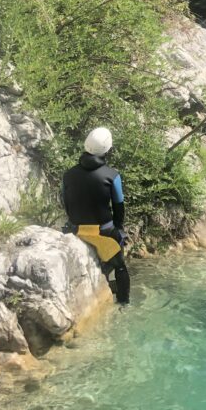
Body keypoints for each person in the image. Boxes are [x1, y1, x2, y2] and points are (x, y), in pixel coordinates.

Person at [61, 127, 130, 305]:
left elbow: (66, 204)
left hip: (75, 230)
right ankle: (124, 303)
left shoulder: (67, 175)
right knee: (120, 266)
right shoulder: (112, 175)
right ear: (108, 149)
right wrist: (119, 229)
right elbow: (118, 207)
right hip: (103, 231)